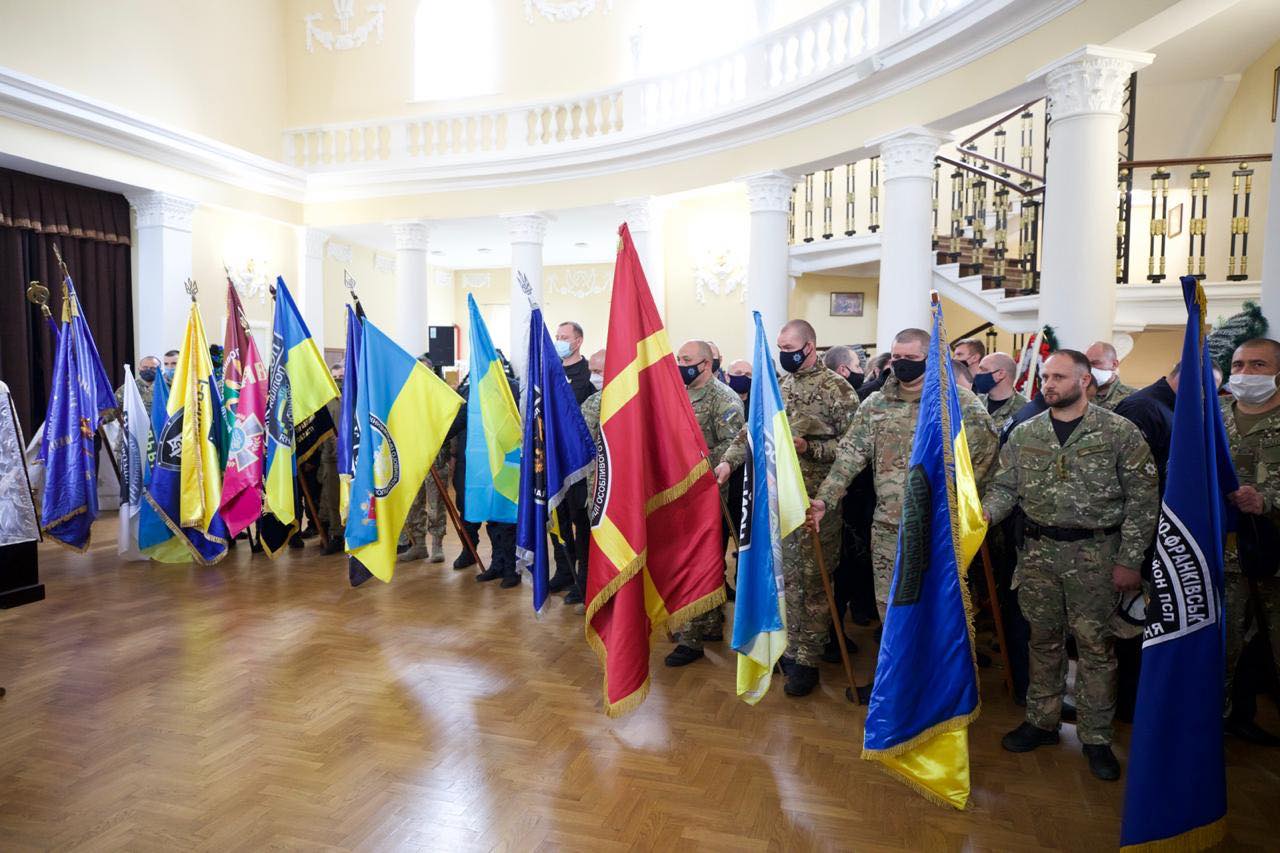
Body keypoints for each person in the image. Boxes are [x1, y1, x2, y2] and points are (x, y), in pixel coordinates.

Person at [982, 349, 1158, 782]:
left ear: (1084, 382)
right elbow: (1006, 487)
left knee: (1096, 648)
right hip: (1039, 553)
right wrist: (983, 515)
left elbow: (1143, 501)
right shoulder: (1026, 433)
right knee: (1042, 641)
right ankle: (1041, 721)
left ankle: (1096, 737)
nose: (1049, 384)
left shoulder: (1120, 432)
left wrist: (1130, 560)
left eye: (1059, 377)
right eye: (1045, 376)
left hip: (1097, 556)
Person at [809, 328, 998, 623]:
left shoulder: (959, 405)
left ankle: (933, 671)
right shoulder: (876, 404)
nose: (901, 363)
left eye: (911, 357)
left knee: (936, 616)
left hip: (938, 529)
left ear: (930, 358)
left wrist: (968, 511)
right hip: (888, 529)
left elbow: (984, 460)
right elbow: (848, 457)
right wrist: (824, 499)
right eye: (897, 356)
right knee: (892, 613)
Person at [716, 319, 859, 697]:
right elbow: (750, 432)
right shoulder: (780, 386)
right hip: (775, 501)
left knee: (812, 583)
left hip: (815, 503)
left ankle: (806, 660)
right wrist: (728, 464)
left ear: (811, 346)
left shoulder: (838, 390)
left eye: (790, 346)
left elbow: (854, 449)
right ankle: (787, 646)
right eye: (779, 346)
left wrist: (809, 448)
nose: (784, 353)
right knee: (783, 577)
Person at [666, 340, 744, 666]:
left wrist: (708, 466)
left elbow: (734, 445)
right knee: (702, 563)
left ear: (706, 364)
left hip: (707, 494)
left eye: (687, 359)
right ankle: (710, 622)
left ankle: (691, 639)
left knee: (697, 564)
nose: (681, 364)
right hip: (679, 494)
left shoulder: (722, 398)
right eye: (679, 358)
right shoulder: (678, 393)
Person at [1220, 338, 1280, 746]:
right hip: (1223, 555)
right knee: (1223, 649)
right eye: (1239, 365)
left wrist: (1268, 501)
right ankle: (1224, 721)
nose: (1245, 374)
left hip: (1274, 556)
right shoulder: (1214, 417)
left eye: (1258, 365)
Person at [400, 356, 450, 564]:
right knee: (412, 502)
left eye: (425, 369)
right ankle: (418, 544)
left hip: (435, 457)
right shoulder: (405, 394)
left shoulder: (441, 393)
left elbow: (449, 426)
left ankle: (437, 545)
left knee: (435, 505)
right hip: (411, 456)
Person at [318, 362, 345, 555]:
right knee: (332, 499)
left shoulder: (353, 396)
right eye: (334, 377)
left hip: (351, 456)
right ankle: (337, 535)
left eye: (341, 377)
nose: (338, 380)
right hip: (331, 459)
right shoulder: (324, 399)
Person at [973, 352, 1028, 434]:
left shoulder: (1025, 410)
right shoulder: (975, 403)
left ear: (1001, 374)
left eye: (983, 369)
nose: (977, 373)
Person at [1085, 341, 1135, 411]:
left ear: (1114, 364)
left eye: (1095, 363)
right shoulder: (1079, 395)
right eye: (1087, 364)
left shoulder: (1132, 397)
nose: (1090, 369)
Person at [556, 321, 593, 404]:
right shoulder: (552, 370)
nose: (559, 342)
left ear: (578, 341)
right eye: (557, 338)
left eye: (564, 338)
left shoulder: (589, 371)